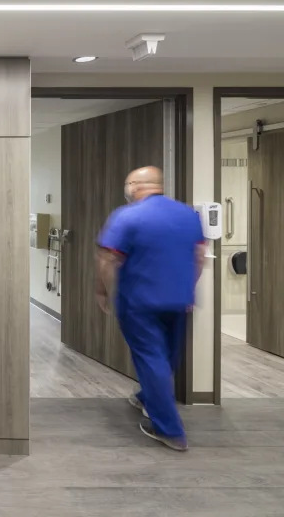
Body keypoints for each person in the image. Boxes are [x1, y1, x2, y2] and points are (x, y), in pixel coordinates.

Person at [96, 166, 205, 451]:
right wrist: (187, 287)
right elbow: (199, 256)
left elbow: (109, 258)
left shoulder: (127, 215)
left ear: (134, 186)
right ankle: (147, 397)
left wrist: (104, 290)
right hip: (178, 299)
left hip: (139, 301)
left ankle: (169, 430)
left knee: (150, 358)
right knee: (168, 356)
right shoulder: (187, 214)